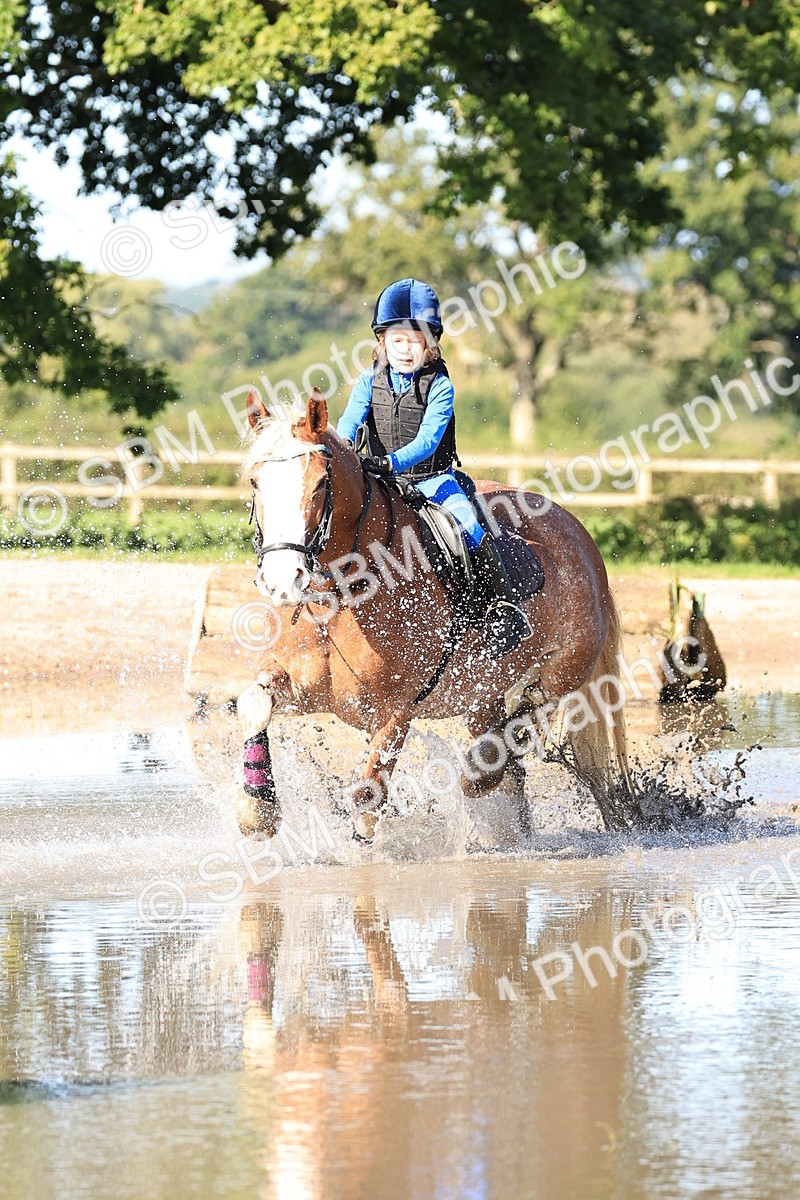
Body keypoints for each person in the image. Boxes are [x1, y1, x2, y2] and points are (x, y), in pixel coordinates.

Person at [336, 277, 534, 658]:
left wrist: (390, 461)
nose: (405, 349)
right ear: (383, 342)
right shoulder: (367, 382)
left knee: (469, 527)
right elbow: (348, 423)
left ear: (429, 344)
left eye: (415, 340)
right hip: (381, 483)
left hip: (433, 480)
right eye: (397, 340)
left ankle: (502, 609)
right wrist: (343, 453)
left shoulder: (440, 385)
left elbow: (428, 440)